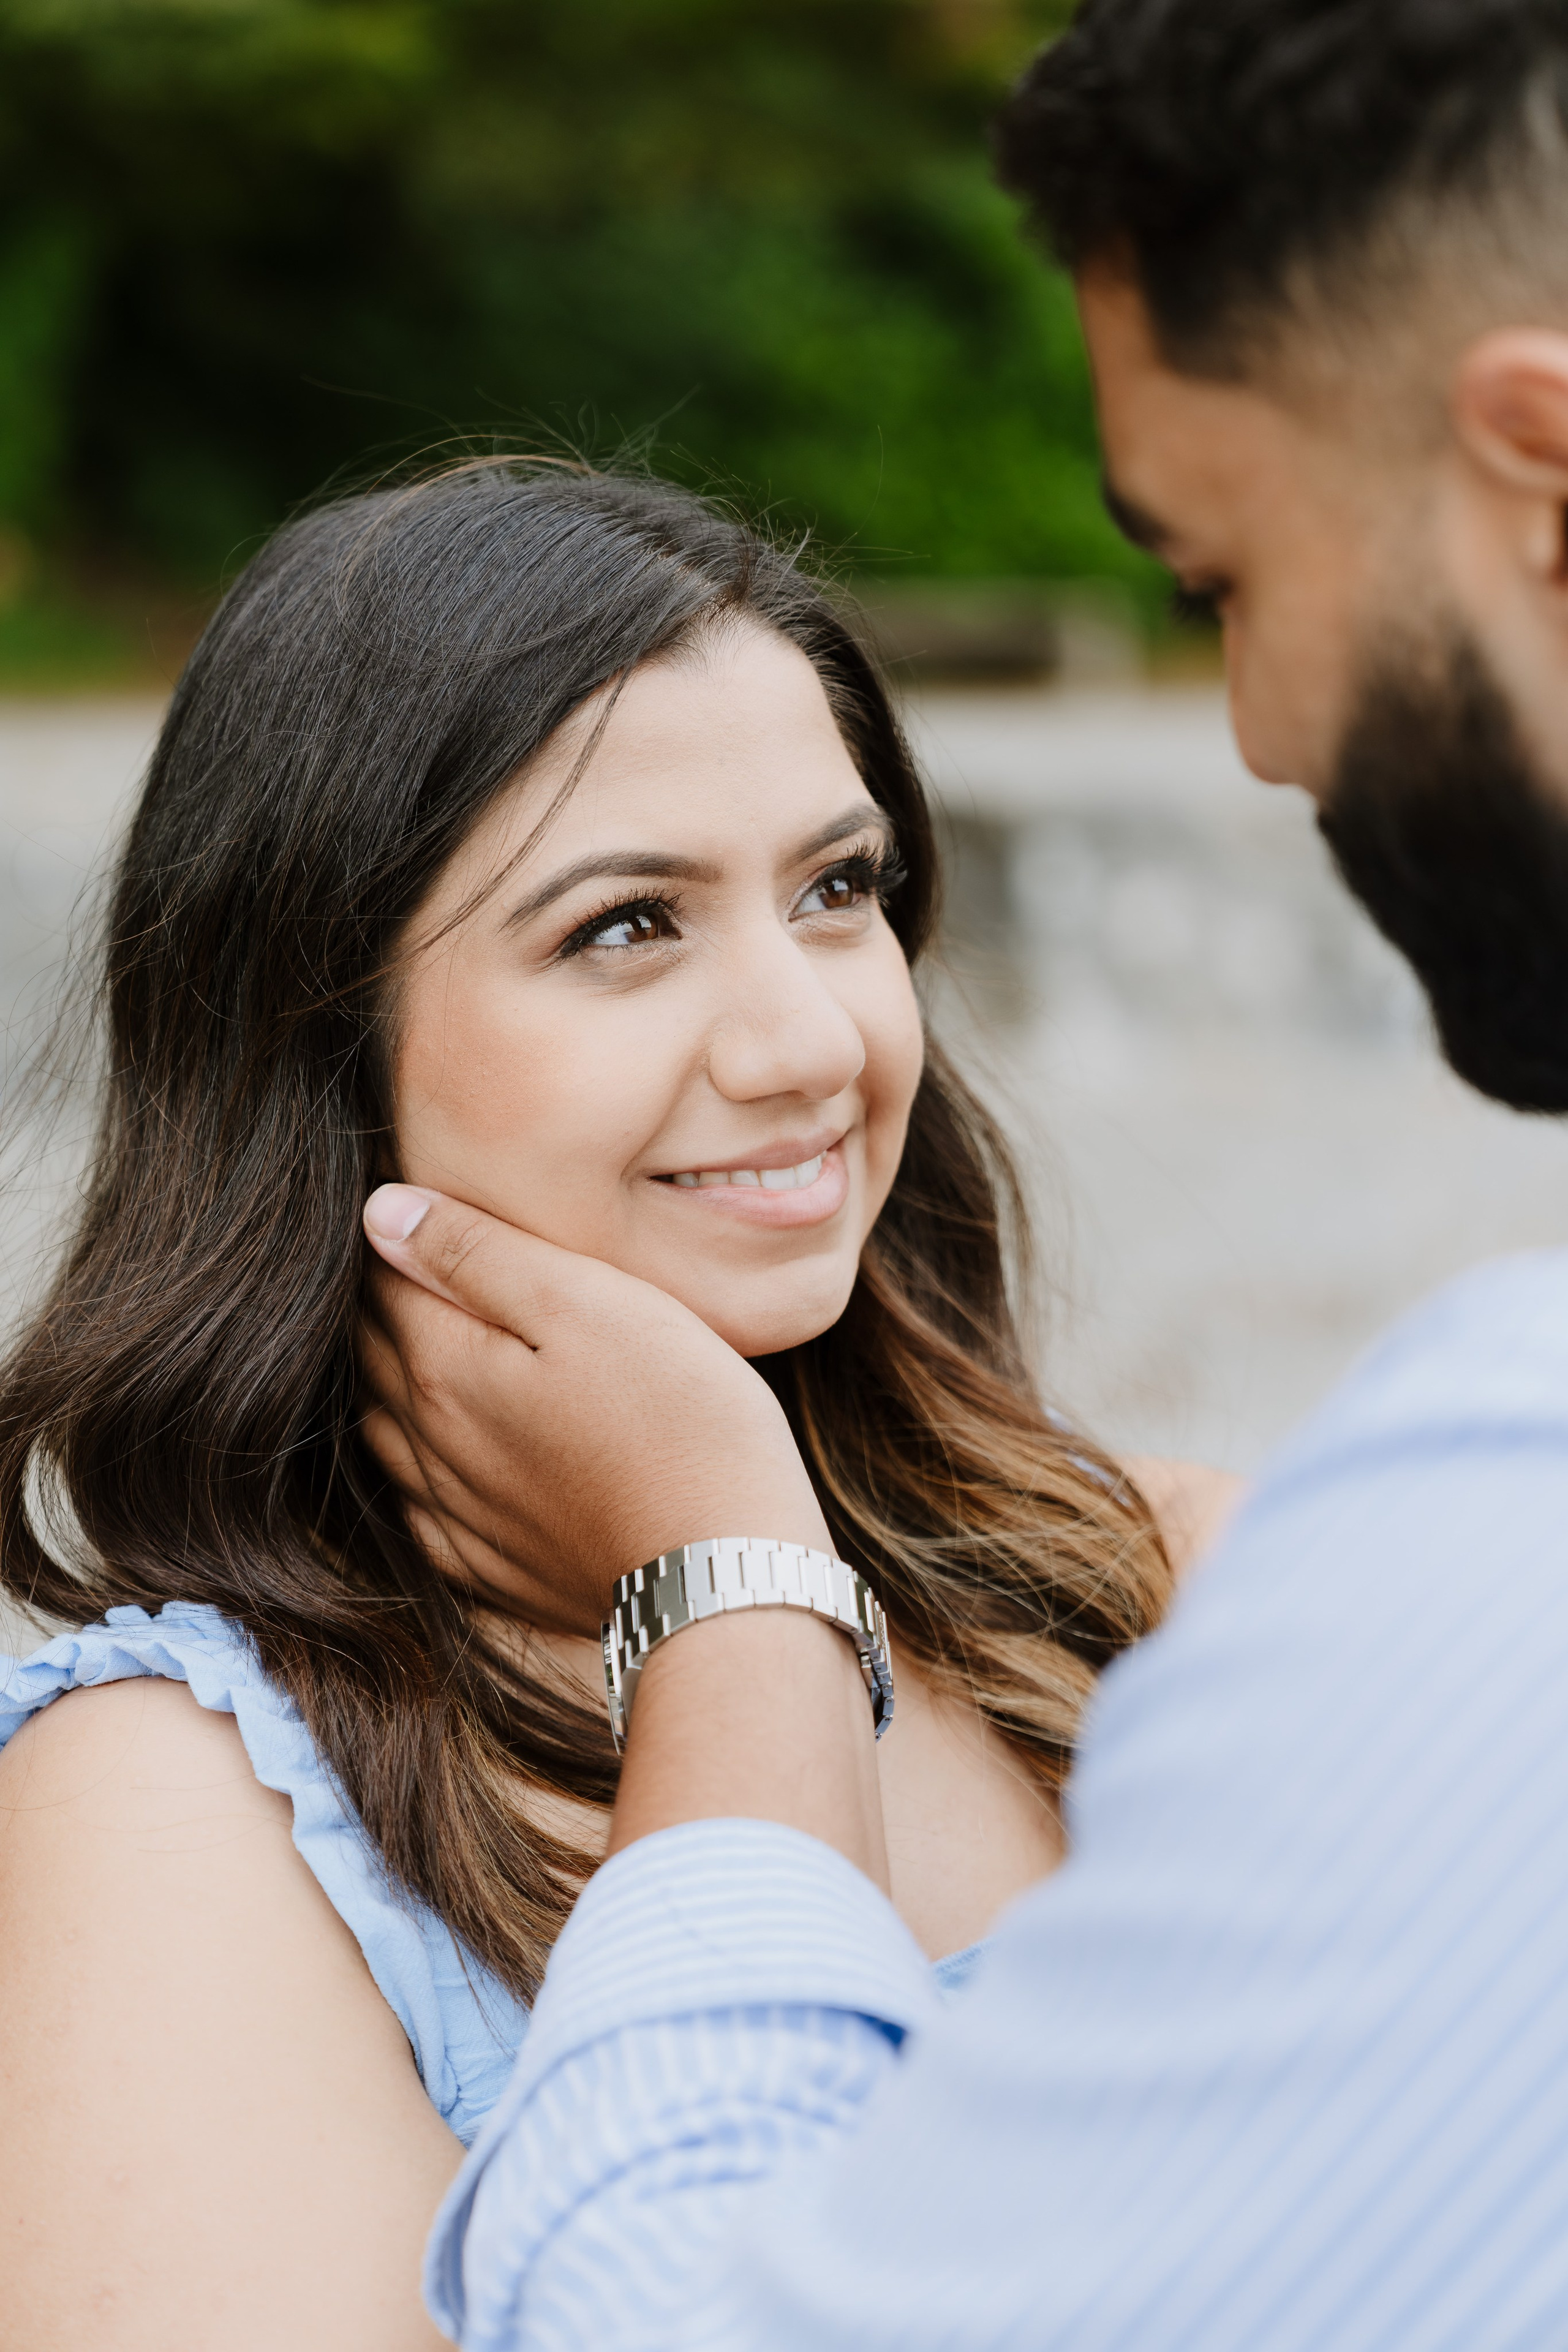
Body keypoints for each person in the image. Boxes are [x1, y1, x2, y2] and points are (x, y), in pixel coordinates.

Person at [356, 3, 1568, 2346]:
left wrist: (724, 1611)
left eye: (1224, 579)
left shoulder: (1411, 1566)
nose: (1262, 731)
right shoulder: (173, 1775)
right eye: (624, 924)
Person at [0, 461, 1229, 2348]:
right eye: (626, 928)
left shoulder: (1169, 1594)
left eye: (840, 890)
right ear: (318, 1050)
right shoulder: (175, 1810)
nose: (812, 1039)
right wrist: (730, 1588)